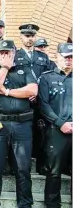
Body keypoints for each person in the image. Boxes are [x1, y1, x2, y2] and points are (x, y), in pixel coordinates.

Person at [0, 40, 38, 208]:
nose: (5, 55)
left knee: (23, 169)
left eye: (8, 52)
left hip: (22, 126)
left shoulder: (25, 70)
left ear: (15, 52)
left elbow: (32, 91)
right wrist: (5, 68)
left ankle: (25, 204)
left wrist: (7, 91)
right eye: (1, 52)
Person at [15, 23, 54, 175]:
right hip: (21, 101)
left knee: (40, 133)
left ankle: (40, 165)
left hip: (39, 102)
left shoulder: (43, 57)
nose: (30, 39)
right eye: (27, 36)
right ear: (21, 37)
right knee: (20, 133)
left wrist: (37, 93)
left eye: (32, 36)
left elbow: (48, 78)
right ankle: (18, 166)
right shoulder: (16, 56)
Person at [39, 43, 72, 208]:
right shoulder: (47, 78)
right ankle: (52, 204)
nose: (69, 60)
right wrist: (61, 123)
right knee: (54, 171)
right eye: (65, 57)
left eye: (71, 57)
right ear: (57, 57)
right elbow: (43, 105)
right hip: (56, 130)